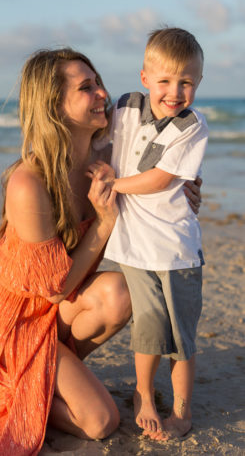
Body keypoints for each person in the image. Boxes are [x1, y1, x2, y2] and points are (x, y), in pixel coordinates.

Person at [0, 47, 202, 455]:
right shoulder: (30, 182)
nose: (102, 94)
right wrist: (106, 221)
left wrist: (183, 191)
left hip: (56, 310)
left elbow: (160, 174)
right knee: (100, 422)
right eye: (86, 88)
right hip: (19, 316)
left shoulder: (107, 160)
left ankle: (39, 375)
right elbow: (55, 290)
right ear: (54, 107)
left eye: (98, 83)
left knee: (120, 293)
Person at [89, 28, 208, 441]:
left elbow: (159, 179)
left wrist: (113, 185)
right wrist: (97, 170)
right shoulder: (124, 107)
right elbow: (101, 146)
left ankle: (182, 410)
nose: (174, 92)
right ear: (144, 78)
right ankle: (142, 394)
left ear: (198, 84)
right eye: (164, 81)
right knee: (148, 329)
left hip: (176, 251)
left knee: (180, 338)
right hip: (134, 250)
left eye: (186, 82)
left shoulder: (192, 125)